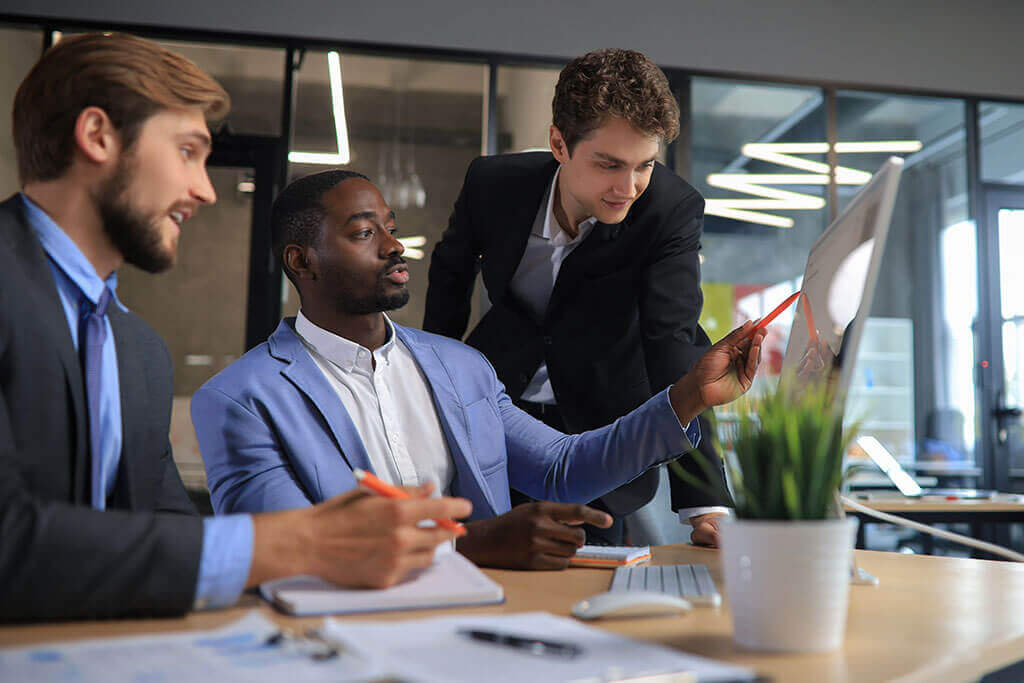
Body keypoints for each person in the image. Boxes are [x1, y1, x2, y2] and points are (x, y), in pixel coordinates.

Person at [0, 33, 470, 623]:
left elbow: (164, 536)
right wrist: (301, 540)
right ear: (97, 136)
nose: (204, 190)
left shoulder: (140, 354)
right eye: (187, 152)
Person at [191, 170, 765, 570]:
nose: (395, 246)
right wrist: (467, 545)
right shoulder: (239, 399)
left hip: (486, 617)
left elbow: (563, 468)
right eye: (365, 233)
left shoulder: (461, 366)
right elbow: (282, 552)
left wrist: (689, 395)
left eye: (391, 227)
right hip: (343, 638)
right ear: (301, 261)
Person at [422, 48, 726, 545]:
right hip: (497, 411)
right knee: (479, 561)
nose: (628, 188)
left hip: (601, 433)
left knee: (593, 576)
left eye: (645, 166)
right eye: (609, 165)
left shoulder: (668, 212)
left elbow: (673, 341)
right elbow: (450, 276)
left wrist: (703, 504)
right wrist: (430, 387)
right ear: (558, 144)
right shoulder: (493, 185)